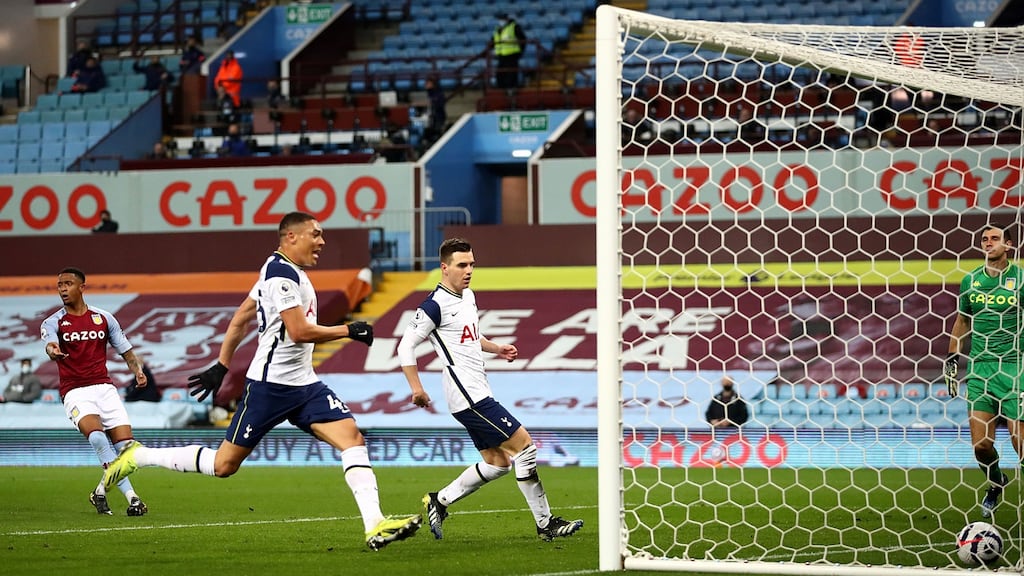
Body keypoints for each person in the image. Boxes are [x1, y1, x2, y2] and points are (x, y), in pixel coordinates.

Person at [103, 212, 421, 551]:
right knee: (224, 465)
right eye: (316, 234)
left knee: (352, 438)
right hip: (269, 388)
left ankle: (375, 525)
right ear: (291, 237)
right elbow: (298, 332)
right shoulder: (280, 275)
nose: (322, 241)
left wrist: (222, 365)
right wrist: (348, 330)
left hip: (305, 385)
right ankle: (141, 456)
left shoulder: (279, 269)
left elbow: (241, 317)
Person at [398, 237, 583, 542]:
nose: (469, 270)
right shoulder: (434, 306)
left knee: (498, 464)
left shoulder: (467, 296)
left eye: (472, 264)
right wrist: (416, 388)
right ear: (445, 268)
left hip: (478, 392)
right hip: (468, 397)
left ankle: (439, 500)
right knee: (526, 448)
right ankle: (545, 523)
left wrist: (496, 348)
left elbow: (470, 336)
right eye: (462, 265)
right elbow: (405, 346)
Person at [40, 267, 148, 516]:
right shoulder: (53, 321)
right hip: (75, 391)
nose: (63, 289)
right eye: (59, 285)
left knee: (128, 449)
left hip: (105, 389)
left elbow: (126, 351)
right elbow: (50, 343)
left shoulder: (104, 318)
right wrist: (52, 351)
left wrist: (137, 371)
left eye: (68, 283)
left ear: (82, 287)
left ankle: (100, 491)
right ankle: (133, 499)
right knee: (98, 438)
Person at [945, 222, 1024, 518]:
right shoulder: (971, 281)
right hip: (980, 370)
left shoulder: (1021, 279)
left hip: (1016, 368)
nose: (988, 243)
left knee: (1021, 442)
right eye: (984, 239)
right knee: (981, 446)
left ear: (1010, 245)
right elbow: (962, 321)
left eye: (994, 238)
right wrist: (952, 357)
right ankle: (995, 481)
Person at [492, 13, 526, 90]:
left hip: (512, 55)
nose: (500, 21)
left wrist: (520, 52)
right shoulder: (497, 29)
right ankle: (501, 92)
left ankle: (511, 92)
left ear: (506, 19)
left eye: (502, 19)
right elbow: (493, 41)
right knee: (500, 75)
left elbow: (523, 39)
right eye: (499, 19)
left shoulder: (514, 27)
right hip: (501, 56)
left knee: (511, 75)